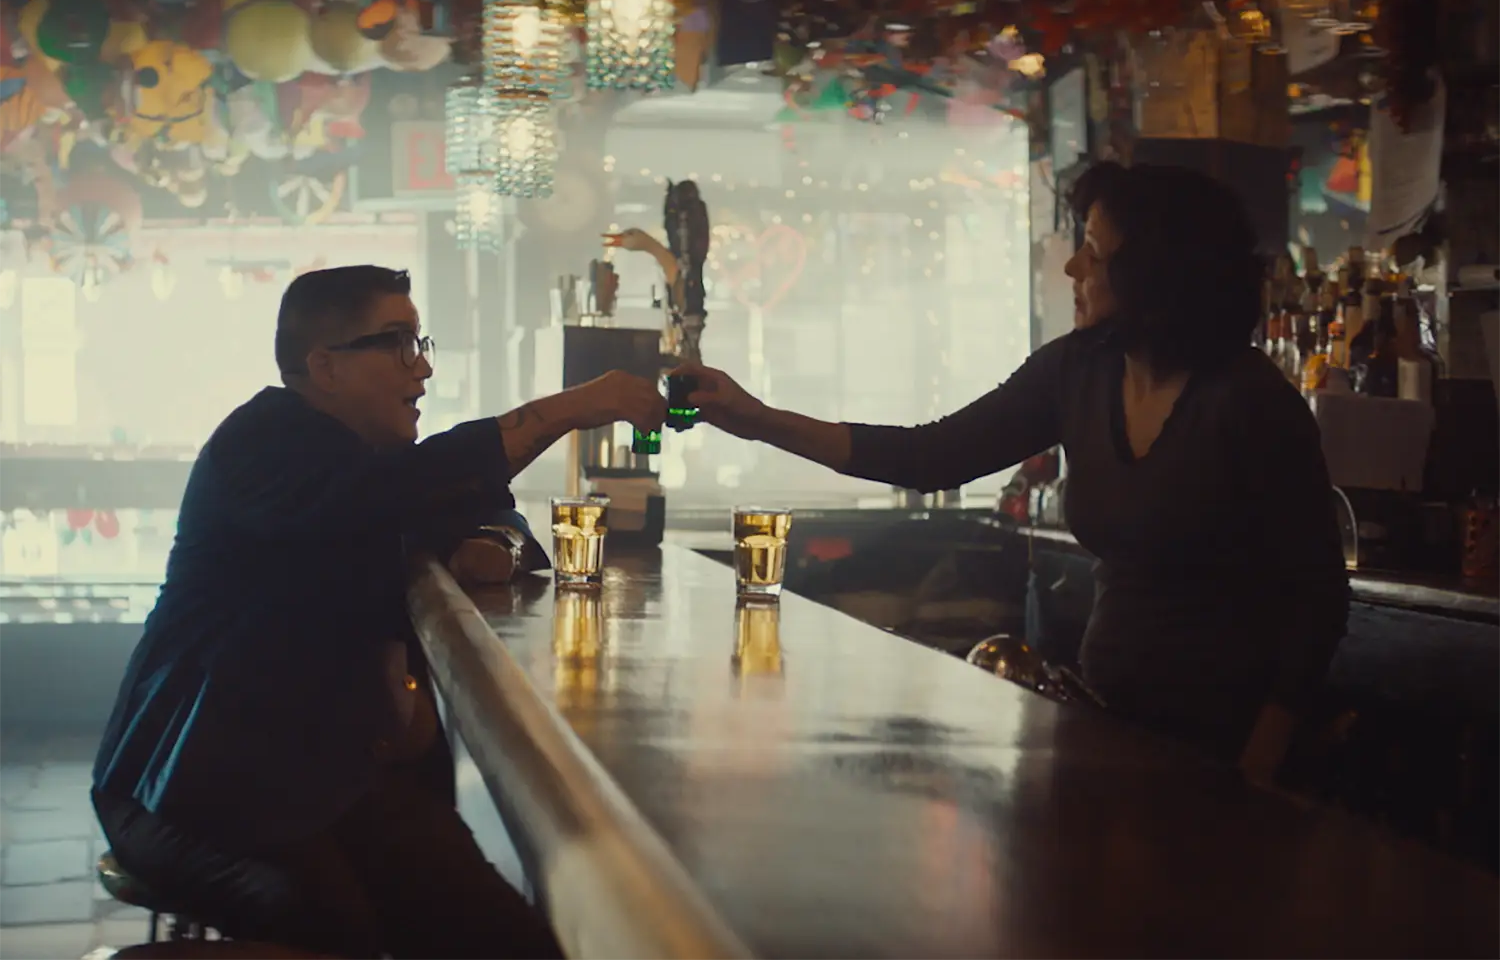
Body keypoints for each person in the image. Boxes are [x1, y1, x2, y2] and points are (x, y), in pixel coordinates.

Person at [677, 162, 1350, 780]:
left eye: (1092, 250)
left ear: (1152, 273)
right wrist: (755, 417)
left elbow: (1317, 601)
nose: (1072, 269)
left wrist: (1258, 767)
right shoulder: (1079, 370)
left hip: (1224, 747)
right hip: (1110, 724)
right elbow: (933, 455)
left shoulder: (1250, 402)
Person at [92, 266, 665, 958]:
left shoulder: (374, 461)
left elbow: (483, 501)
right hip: (189, 787)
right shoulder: (261, 441)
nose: (421, 369)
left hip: (327, 781)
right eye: (397, 344)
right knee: (335, 928)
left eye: (420, 343)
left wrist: (494, 540)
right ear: (324, 366)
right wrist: (572, 406)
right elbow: (402, 488)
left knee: (503, 937)